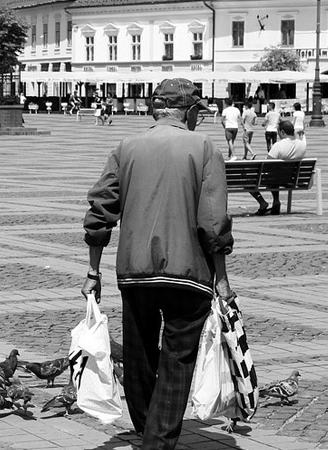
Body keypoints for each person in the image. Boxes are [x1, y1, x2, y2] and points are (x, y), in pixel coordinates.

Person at [82, 78, 234, 450]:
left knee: (139, 351)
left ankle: (146, 425)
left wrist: (92, 270)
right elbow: (213, 222)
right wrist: (223, 279)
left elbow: (100, 212)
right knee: (178, 358)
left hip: (134, 270)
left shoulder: (126, 146)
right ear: (189, 111)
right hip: (188, 273)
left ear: (156, 110)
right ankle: (158, 439)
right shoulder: (203, 147)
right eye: (198, 111)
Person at [250, 120, 306, 216]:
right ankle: (276, 201)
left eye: (278, 132)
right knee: (275, 174)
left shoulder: (278, 145)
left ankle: (263, 203)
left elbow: (267, 164)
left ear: (283, 132)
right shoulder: (302, 145)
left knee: (251, 179)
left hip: (275, 178)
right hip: (292, 179)